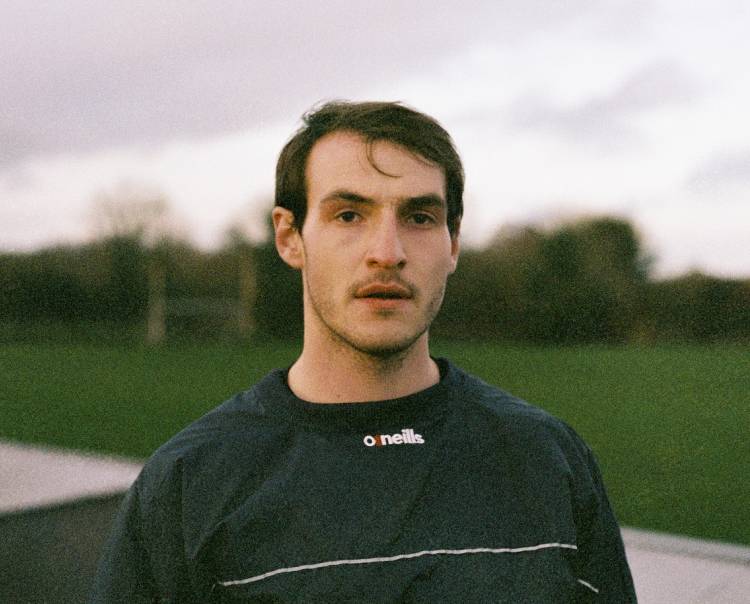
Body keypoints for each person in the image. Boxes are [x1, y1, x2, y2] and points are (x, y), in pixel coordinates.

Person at [90, 101, 636, 602]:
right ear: (289, 236)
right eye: (349, 215)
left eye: (419, 217)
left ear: (453, 242)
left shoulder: (548, 459)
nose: (387, 253)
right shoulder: (189, 482)